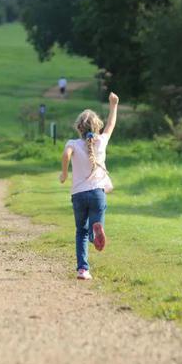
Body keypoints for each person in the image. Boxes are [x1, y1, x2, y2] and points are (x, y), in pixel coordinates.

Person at [59, 92, 119, 280]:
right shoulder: (101, 141)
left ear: (78, 128)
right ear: (97, 127)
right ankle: (96, 231)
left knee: (80, 232)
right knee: (95, 223)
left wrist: (64, 173)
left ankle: (83, 269)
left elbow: (66, 155)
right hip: (97, 194)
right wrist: (113, 105)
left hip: (78, 195)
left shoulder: (73, 143)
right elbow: (111, 124)